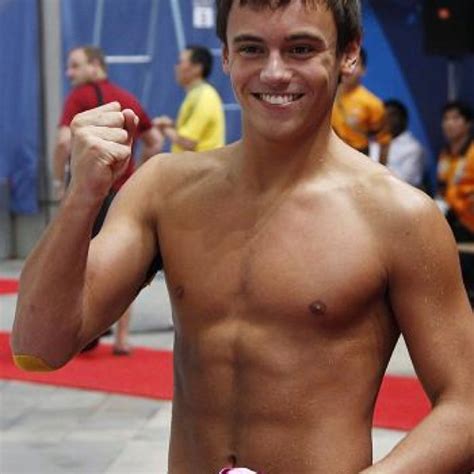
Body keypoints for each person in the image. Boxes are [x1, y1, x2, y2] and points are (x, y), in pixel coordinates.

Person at [11, 1, 474, 473]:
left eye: (300, 49)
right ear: (227, 56)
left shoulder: (398, 217)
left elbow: (467, 407)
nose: (274, 73)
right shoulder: (164, 190)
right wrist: (80, 200)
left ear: (348, 54)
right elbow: (38, 344)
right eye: (252, 48)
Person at [52, 45, 163, 355]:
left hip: (89, 194)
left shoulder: (79, 98)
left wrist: (59, 180)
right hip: (122, 194)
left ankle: (83, 332)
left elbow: (62, 141)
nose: (68, 73)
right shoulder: (128, 98)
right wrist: (135, 173)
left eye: (74, 66)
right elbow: (154, 141)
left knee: (76, 263)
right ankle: (121, 339)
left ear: (95, 65)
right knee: (126, 267)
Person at [153, 45, 225, 152]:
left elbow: (188, 142)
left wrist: (165, 128)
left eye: (180, 62)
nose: (176, 67)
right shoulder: (197, 94)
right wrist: (173, 125)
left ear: (197, 68)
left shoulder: (204, 97)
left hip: (201, 167)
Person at [436, 100, 474, 305]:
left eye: (456, 118)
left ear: (468, 124)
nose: (449, 124)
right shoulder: (445, 154)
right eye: (446, 119)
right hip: (451, 220)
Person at [331, 47, 389, 157]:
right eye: (343, 62)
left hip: (357, 155)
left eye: (354, 64)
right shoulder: (325, 96)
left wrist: (381, 170)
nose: (347, 68)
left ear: (363, 70)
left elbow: (384, 141)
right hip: (327, 157)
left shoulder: (372, 103)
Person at [369, 99, 425, 188]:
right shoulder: (373, 144)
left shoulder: (413, 148)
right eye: (384, 115)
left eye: (391, 115)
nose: (386, 120)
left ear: (403, 120)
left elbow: (406, 182)